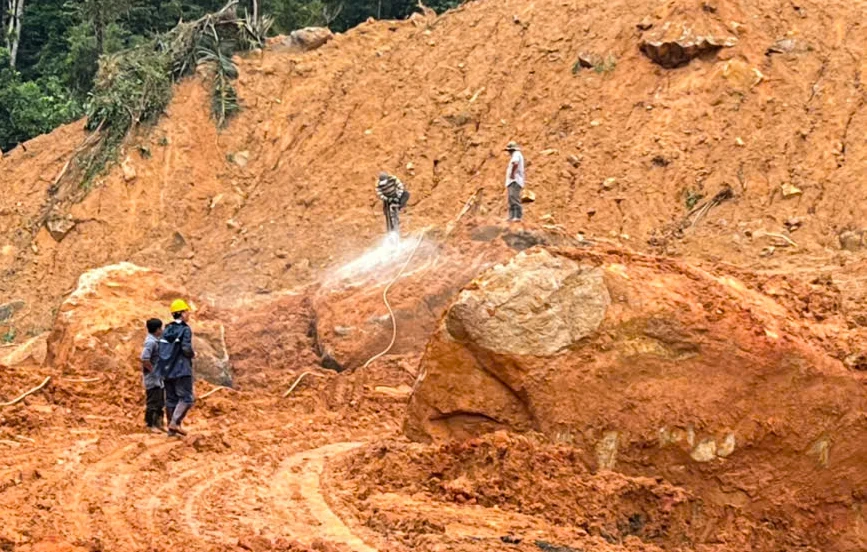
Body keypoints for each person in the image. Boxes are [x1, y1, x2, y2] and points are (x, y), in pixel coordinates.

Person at [157, 299, 196, 437]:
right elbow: (186, 348)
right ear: (182, 313)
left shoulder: (167, 329)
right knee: (186, 398)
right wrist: (192, 354)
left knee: (171, 399)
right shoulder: (185, 329)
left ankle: (171, 431)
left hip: (166, 370)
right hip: (181, 369)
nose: (188, 314)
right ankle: (175, 423)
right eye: (186, 311)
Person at [140, 318, 165, 433]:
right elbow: (145, 359)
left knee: (160, 401)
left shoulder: (156, 340)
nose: (162, 330)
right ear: (157, 329)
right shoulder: (150, 342)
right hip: (153, 378)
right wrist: (153, 372)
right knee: (153, 401)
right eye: (161, 328)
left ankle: (159, 423)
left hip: (158, 378)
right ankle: (150, 425)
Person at [376, 172, 410, 236]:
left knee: (406, 194)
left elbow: (401, 187)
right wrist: (387, 199)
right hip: (388, 198)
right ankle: (390, 229)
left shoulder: (393, 179)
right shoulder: (378, 185)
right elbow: (380, 194)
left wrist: (398, 196)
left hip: (396, 194)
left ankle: (399, 206)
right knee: (386, 212)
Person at [504, 141, 525, 221]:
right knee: (511, 197)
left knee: (514, 197)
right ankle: (511, 216)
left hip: (515, 180)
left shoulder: (516, 154)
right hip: (512, 181)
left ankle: (517, 216)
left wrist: (513, 174)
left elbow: (515, 163)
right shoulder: (516, 155)